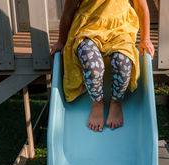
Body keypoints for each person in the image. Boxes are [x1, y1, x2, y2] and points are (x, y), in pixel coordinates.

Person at [51, 0, 154, 132]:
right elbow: (67, 13)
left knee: (122, 62)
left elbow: (141, 7)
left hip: (120, 29)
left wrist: (145, 38)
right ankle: (97, 102)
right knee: (91, 63)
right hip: (88, 28)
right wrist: (61, 41)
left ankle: (116, 101)